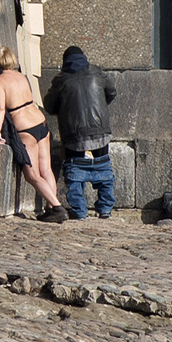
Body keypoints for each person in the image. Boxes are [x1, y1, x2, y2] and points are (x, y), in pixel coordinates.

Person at [0, 46, 68, 223]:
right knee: (46, 168)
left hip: (25, 128)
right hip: (39, 122)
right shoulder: (21, 76)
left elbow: (0, 108)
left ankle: (56, 207)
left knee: (31, 174)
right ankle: (50, 207)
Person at [45, 45, 116, 220]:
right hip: (100, 132)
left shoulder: (61, 80)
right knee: (103, 168)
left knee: (74, 172)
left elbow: (49, 105)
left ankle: (79, 210)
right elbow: (112, 92)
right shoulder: (96, 72)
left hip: (73, 134)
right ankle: (105, 208)